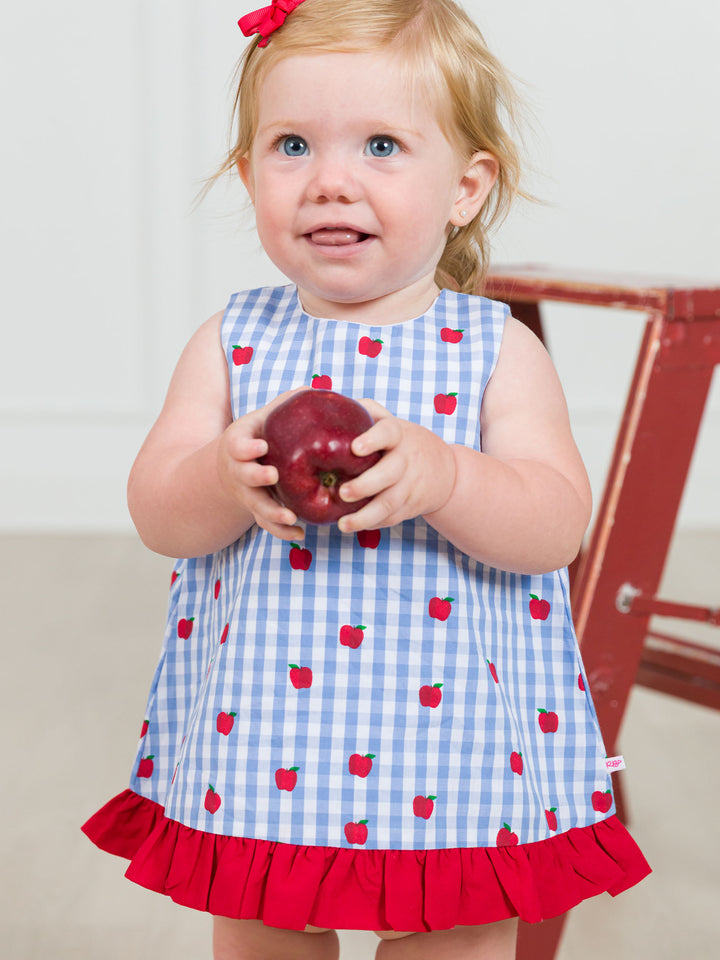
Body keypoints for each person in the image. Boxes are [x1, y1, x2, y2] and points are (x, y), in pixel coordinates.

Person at [82, 1, 651, 958]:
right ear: (248, 172)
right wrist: (221, 480)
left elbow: (556, 524)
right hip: (263, 730)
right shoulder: (232, 344)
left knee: (457, 933)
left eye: (382, 144)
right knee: (265, 925)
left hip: (458, 732)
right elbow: (157, 513)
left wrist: (449, 477)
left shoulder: (491, 351)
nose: (330, 182)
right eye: (292, 144)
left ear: (467, 187)